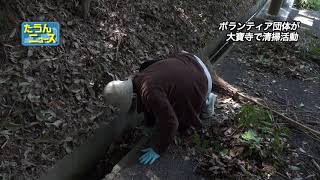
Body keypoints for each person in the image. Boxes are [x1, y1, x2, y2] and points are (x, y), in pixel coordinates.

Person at [103, 51, 216, 165]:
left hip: (202, 80)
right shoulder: (141, 74)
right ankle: (202, 96)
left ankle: (206, 102)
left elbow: (172, 123)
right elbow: (148, 104)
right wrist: (149, 124)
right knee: (168, 104)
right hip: (191, 61)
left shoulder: (150, 93)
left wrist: (157, 149)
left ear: (132, 97)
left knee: (182, 125)